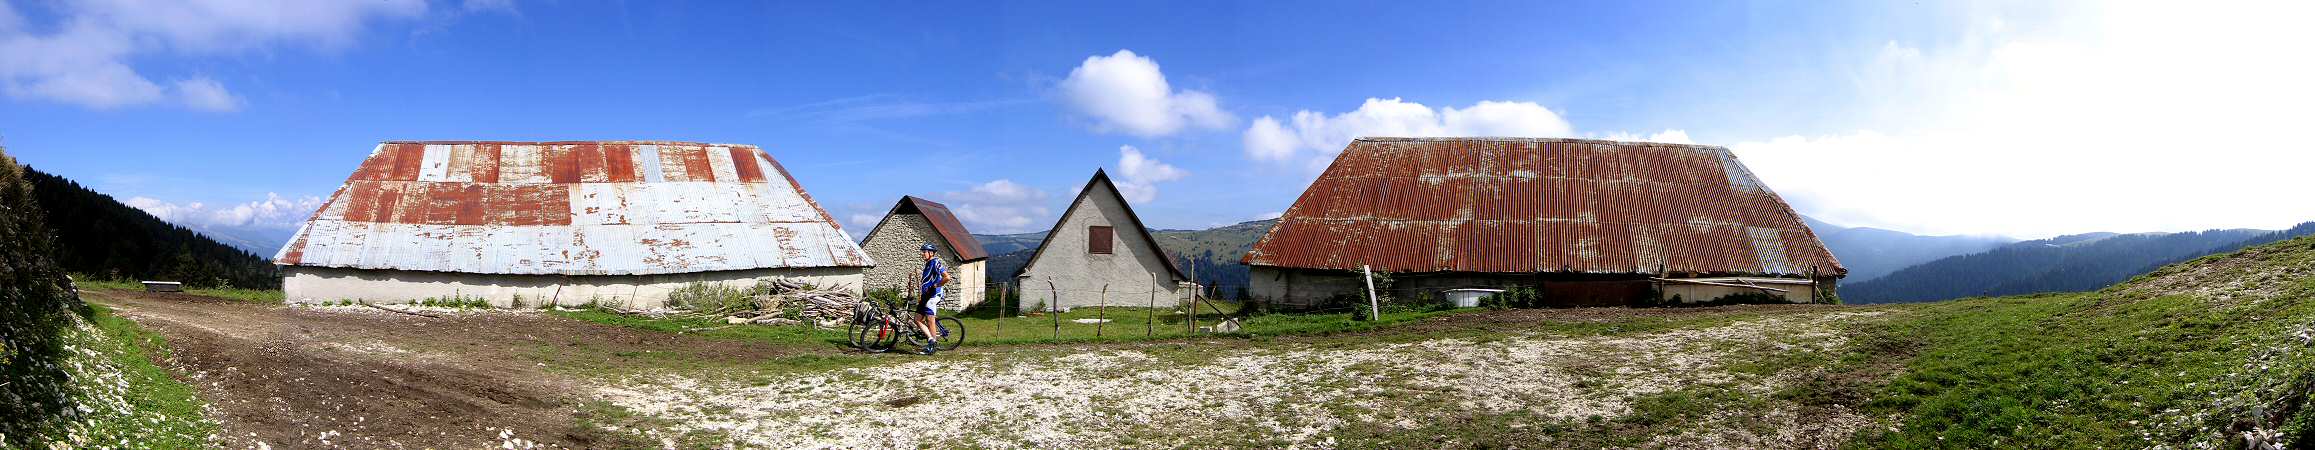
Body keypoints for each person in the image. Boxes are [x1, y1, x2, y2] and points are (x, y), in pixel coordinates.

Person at [915, 243, 948, 355]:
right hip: (926, 296)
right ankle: (930, 339)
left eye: (924, 252)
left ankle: (932, 347)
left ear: (931, 253)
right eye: (922, 251)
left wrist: (936, 286)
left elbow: (946, 277)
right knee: (917, 319)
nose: (922, 254)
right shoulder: (928, 263)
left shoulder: (935, 262)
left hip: (933, 296)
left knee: (930, 321)